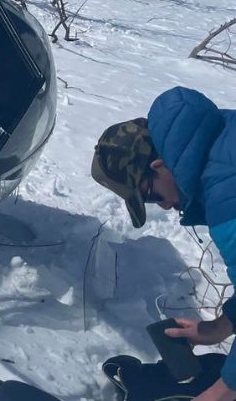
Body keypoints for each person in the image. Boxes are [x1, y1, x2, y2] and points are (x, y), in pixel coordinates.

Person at [92, 86, 236, 401]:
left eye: (152, 196)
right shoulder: (223, 138)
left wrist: (221, 392)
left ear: (158, 167)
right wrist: (219, 328)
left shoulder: (227, 198)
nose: (167, 206)